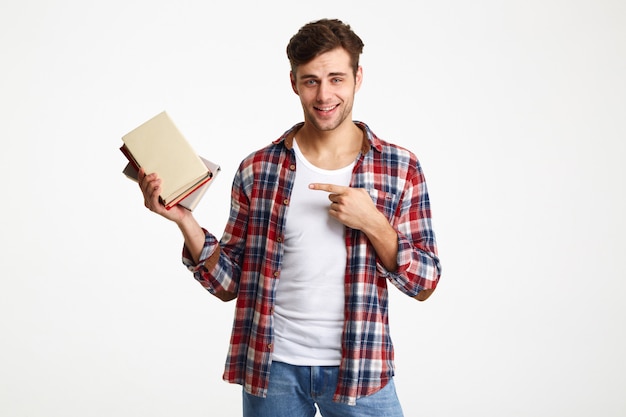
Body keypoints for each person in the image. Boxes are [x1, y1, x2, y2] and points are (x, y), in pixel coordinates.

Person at [138, 18, 441, 417]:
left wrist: (373, 222)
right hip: (273, 369)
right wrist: (184, 220)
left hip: (361, 368)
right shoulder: (259, 168)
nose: (324, 93)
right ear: (294, 82)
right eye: (311, 80)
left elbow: (424, 284)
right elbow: (230, 283)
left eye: (336, 78)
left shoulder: (399, 167)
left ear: (358, 78)